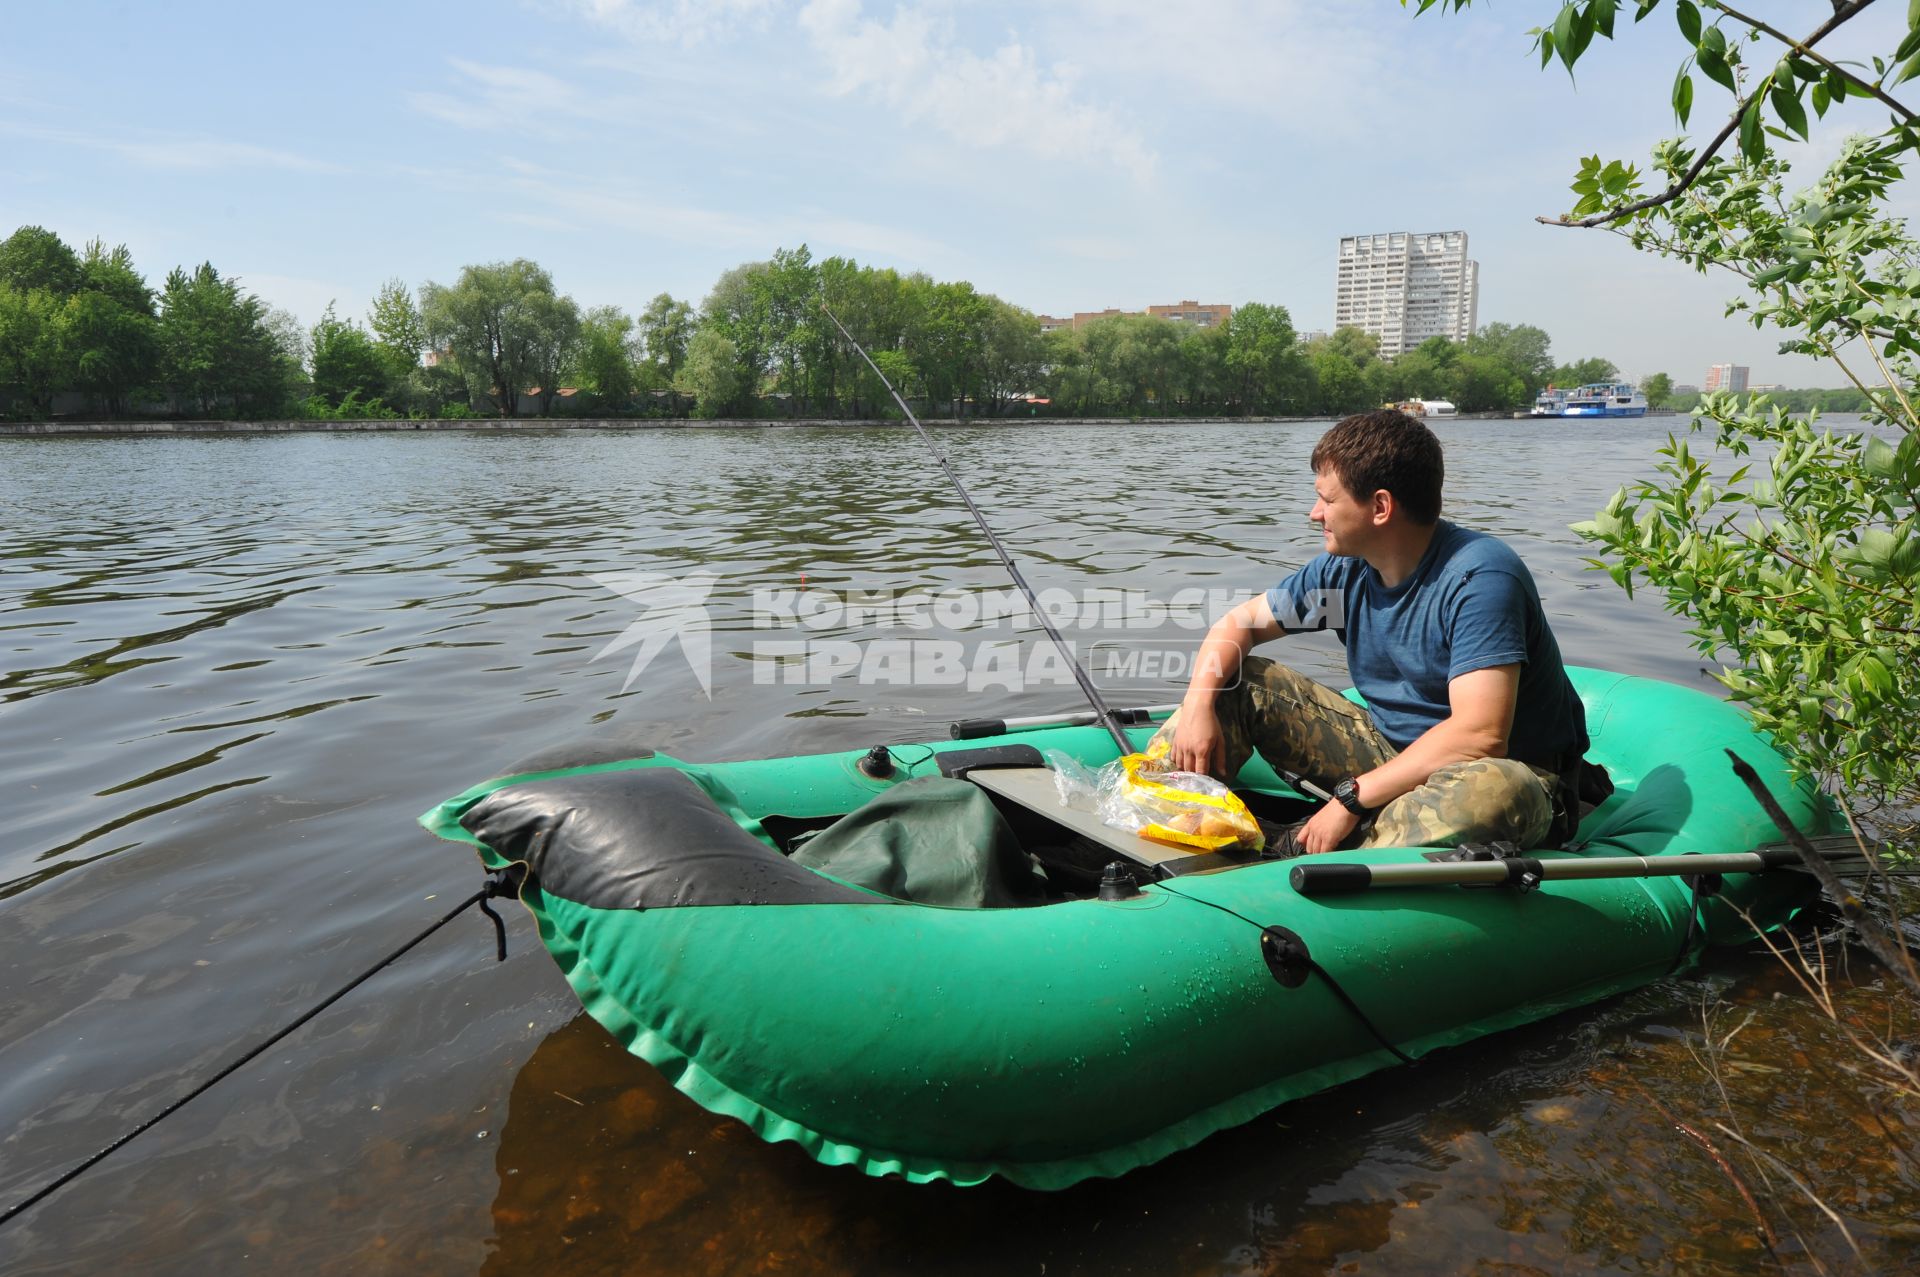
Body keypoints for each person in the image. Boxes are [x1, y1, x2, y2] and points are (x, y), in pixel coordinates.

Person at [1156, 409, 1595, 856]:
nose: (1315, 513)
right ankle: (1162, 813)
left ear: (1381, 507)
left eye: (1327, 500)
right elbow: (1238, 625)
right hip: (1387, 751)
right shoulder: (1343, 568)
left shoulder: (1480, 577)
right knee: (1238, 680)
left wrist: (1350, 800)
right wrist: (1198, 705)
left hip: (1497, 775)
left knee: (1497, 793)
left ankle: (1292, 846)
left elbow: (1480, 737)